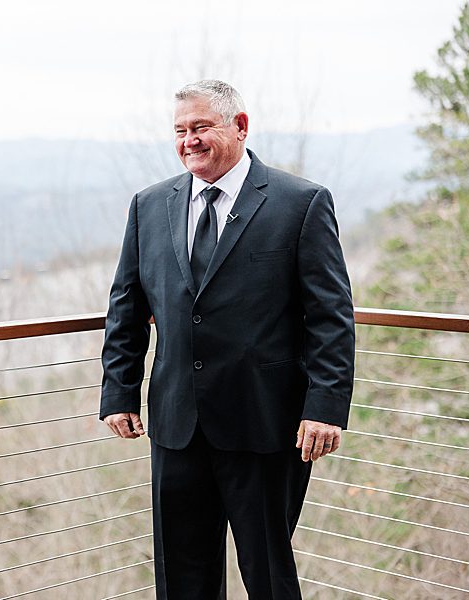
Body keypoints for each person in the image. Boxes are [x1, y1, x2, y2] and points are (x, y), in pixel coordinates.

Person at [100, 80, 355, 599]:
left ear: (239, 126)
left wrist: (325, 407)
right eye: (180, 131)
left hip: (264, 425)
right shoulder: (149, 206)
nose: (189, 140)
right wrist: (118, 391)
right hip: (176, 425)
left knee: (268, 576)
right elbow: (126, 306)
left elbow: (330, 316)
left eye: (201, 127)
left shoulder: (301, 203)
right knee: (182, 579)